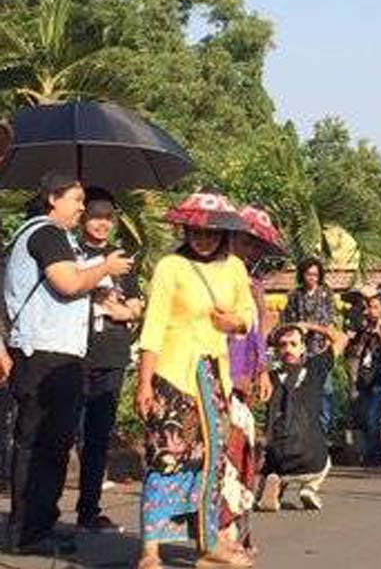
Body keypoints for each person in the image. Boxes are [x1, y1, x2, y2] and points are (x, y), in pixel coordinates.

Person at [4, 173, 132, 556]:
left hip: (56, 353)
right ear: (52, 200)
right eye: (75, 199)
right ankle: (27, 531)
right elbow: (66, 283)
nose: (81, 207)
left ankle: (40, 525)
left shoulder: (54, 238)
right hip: (45, 353)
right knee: (39, 444)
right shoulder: (45, 234)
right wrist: (104, 268)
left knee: (53, 445)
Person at [134, 192, 255, 569]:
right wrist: (144, 381)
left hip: (213, 377)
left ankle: (207, 544)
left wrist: (232, 322)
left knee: (212, 461)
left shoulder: (234, 267)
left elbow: (248, 315)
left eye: (211, 232)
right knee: (167, 457)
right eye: (195, 231)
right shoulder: (171, 266)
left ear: (222, 233)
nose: (203, 238)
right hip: (173, 375)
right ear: (185, 230)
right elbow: (153, 324)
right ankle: (151, 550)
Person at [75, 189, 143, 534]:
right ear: (83, 217)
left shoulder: (122, 260)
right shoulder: (70, 252)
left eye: (107, 217)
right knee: (69, 433)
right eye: (94, 215)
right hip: (74, 352)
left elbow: (135, 307)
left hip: (112, 353)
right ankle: (37, 513)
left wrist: (120, 309)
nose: (101, 223)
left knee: (99, 435)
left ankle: (89, 510)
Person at [224, 204, 285, 553]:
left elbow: (258, 335)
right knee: (219, 459)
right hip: (214, 376)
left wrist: (261, 370)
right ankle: (217, 533)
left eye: (257, 245)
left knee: (243, 454)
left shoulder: (255, 285)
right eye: (246, 241)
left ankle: (237, 533)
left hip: (245, 377)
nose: (251, 250)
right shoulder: (211, 275)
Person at [258, 324, 344, 512]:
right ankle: (309, 488)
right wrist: (310, 325)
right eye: (284, 345)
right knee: (324, 457)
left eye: (292, 344)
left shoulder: (268, 378)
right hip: (312, 457)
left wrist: (264, 339)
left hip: (278, 457)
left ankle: (275, 483)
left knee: (275, 452)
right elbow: (340, 338)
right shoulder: (316, 368)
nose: (288, 349)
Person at [281, 257, 336, 431]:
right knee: (301, 388)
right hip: (300, 350)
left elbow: (329, 322)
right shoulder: (295, 295)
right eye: (308, 274)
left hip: (320, 348)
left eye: (315, 275)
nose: (311, 278)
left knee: (325, 390)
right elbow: (288, 320)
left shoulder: (326, 293)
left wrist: (310, 327)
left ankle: (324, 430)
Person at [345, 286, 381, 466]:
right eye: (369, 307)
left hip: (379, 378)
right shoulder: (363, 329)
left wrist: (379, 331)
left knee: (373, 417)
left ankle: (376, 455)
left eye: (375, 307)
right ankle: (374, 452)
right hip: (364, 377)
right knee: (364, 417)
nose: (370, 311)